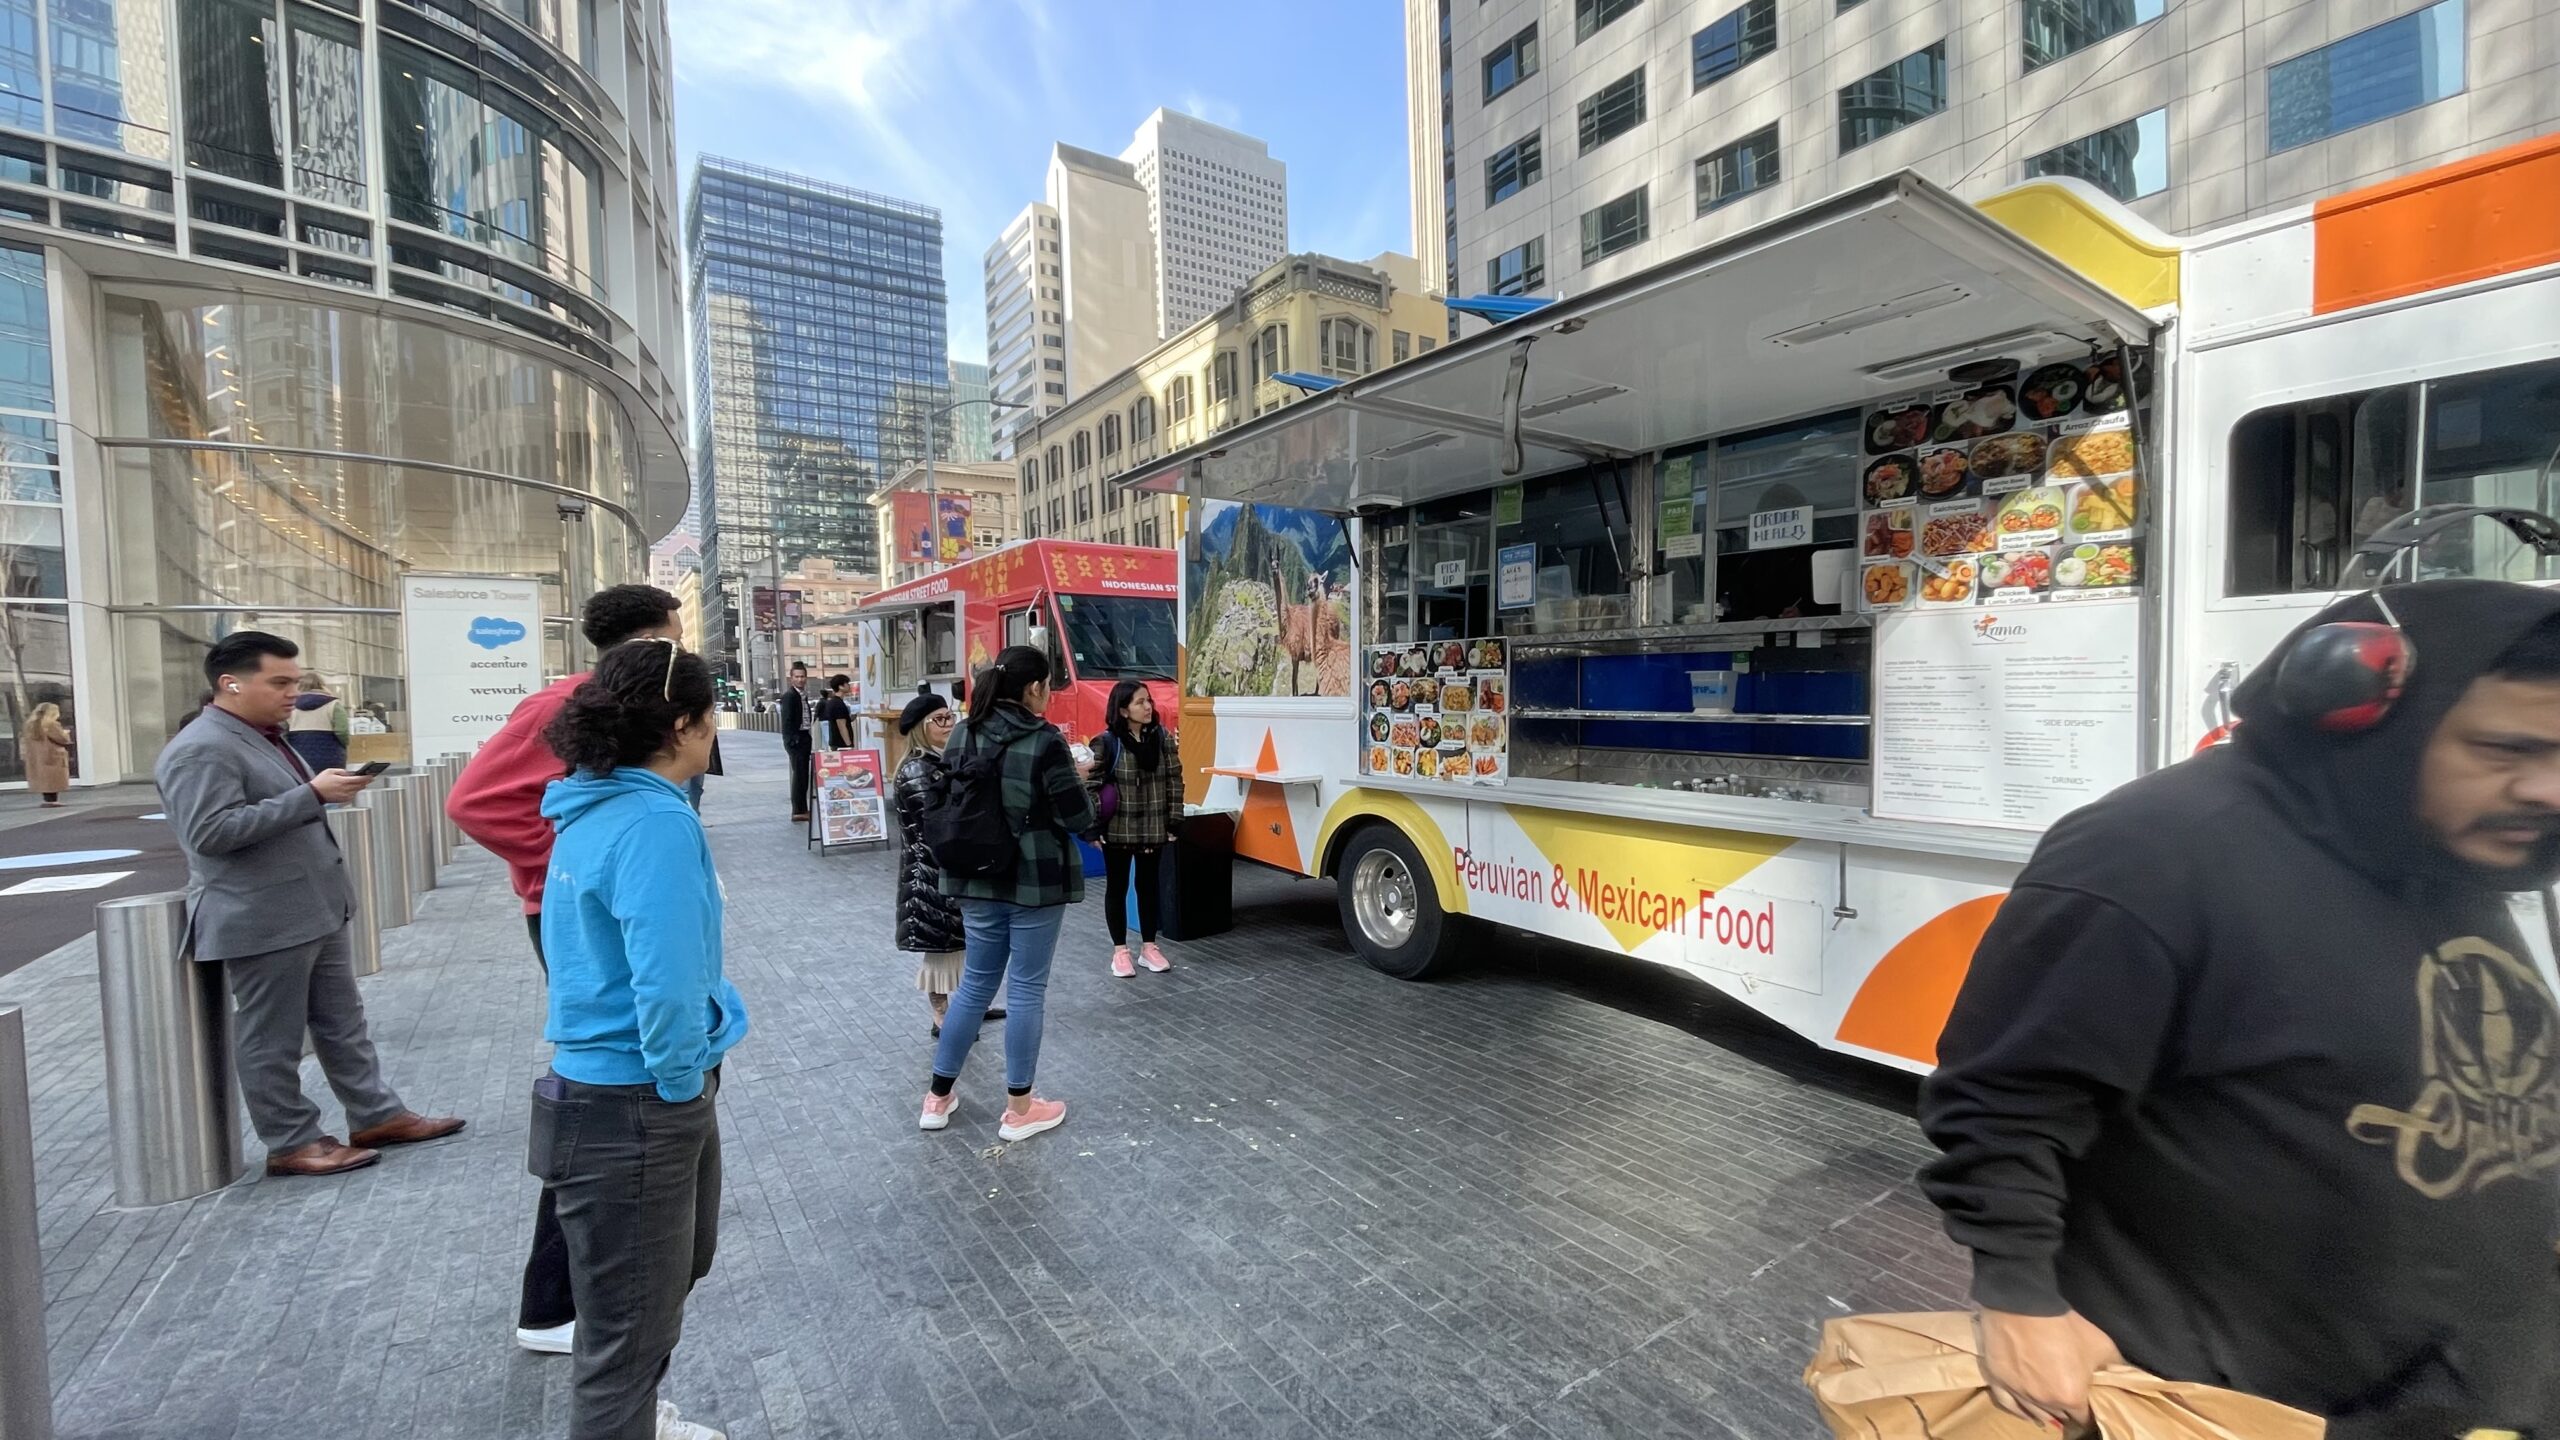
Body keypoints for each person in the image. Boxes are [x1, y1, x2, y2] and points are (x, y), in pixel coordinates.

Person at [1919, 579, 2560, 1437]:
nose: (2548, 789)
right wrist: (2018, 1302)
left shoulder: (2444, 841)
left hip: (2467, 1388)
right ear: (2360, 711)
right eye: (2505, 748)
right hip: (2246, 1403)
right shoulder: (2151, 854)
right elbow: (2004, 1099)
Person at [447, 582, 679, 1357]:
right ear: (656, 638)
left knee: (614, 1078)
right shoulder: (565, 702)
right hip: (573, 912)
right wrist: (573, 857)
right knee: (605, 1084)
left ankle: (565, 1295)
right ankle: (555, 1301)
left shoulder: (621, 705)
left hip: (600, 907)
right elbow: (474, 801)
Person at [534, 639, 745, 1440]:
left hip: (614, 1090)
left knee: (653, 1289)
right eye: (710, 716)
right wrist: (681, 1082)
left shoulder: (590, 801)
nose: (713, 732)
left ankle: (641, 1421)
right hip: (639, 1095)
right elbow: (667, 979)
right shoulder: (655, 819)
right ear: (684, 724)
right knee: (627, 1328)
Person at [155, 631, 464, 1178]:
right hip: (260, 914)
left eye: (294, 681)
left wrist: (317, 794)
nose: (292, 693)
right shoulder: (203, 747)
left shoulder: (266, 736)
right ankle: (291, 1140)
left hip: (311, 905)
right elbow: (209, 833)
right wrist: (313, 795)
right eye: (279, 682)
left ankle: (376, 1114)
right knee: (271, 1037)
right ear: (230, 684)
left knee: (342, 1022)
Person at [918, 645, 1099, 1142]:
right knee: (1026, 988)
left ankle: (937, 1098)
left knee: (975, 984)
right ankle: (1020, 1109)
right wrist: (1083, 783)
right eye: (1047, 686)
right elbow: (1076, 816)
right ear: (1033, 688)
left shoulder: (963, 732)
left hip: (974, 875)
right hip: (1032, 880)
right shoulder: (1044, 739)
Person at [890, 693, 1003, 1039]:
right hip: (928, 875)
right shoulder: (916, 769)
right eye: (939, 719)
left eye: (950, 716)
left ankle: (973, 1005)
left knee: (963, 944)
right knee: (940, 951)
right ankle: (941, 1017)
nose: (949, 724)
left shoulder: (940, 761)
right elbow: (939, 821)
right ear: (921, 728)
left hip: (946, 870)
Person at [1088, 681, 1181, 977]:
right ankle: (1120, 951)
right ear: (1123, 710)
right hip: (1118, 829)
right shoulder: (1107, 742)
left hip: (1153, 827)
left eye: (1148, 701)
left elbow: (1175, 780)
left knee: (1148, 886)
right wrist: (1092, 828)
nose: (1148, 707)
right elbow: (1091, 786)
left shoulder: (1162, 738)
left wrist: (1174, 820)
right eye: (1140, 702)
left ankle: (1149, 947)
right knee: (1117, 888)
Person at [285, 672, 349, 773]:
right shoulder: (333, 704)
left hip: (298, 753)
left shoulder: (290, 705)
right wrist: (344, 745)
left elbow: (283, 730)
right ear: (322, 685)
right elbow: (342, 731)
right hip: (331, 753)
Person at [779, 662, 813, 823]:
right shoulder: (790, 696)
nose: (800, 679)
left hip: (804, 736)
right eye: (797, 676)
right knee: (799, 775)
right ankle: (798, 810)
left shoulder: (802, 695)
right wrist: (793, 740)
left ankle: (802, 808)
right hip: (797, 739)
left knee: (803, 775)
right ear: (791, 678)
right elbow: (787, 720)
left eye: (802, 676)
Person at [22, 700, 70, 806]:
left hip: (36, 756)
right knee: (53, 778)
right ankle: (52, 800)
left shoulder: (29, 725)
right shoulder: (51, 725)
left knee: (44, 778)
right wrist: (65, 733)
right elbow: (62, 739)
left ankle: (47, 800)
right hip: (52, 755)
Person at [815, 673, 855, 750]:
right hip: (841, 745)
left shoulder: (833, 702)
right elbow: (841, 726)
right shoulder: (838, 703)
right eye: (847, 683)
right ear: (840, 686)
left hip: (835, 742)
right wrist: (849, 745)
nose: (849, 685)